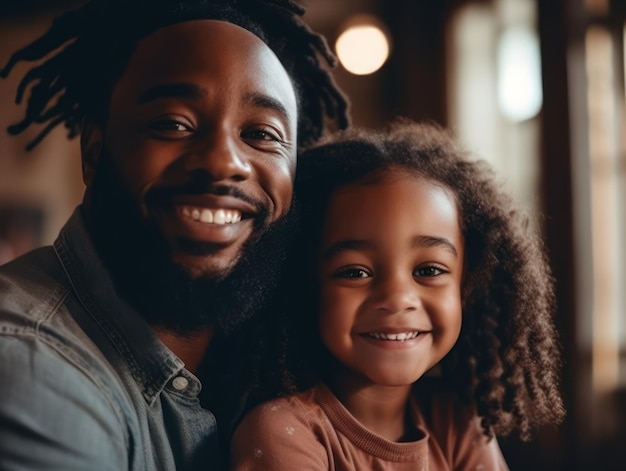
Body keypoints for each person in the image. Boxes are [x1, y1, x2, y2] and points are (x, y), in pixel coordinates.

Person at [0, 0, 349, 469]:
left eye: (263, 134)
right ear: (94, 152)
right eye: (173, 123)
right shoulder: (30, 367)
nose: (225, 161)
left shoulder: (286, 345)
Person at [230, 119, 566, 470]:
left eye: (428, 271)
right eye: (355, 272)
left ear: (468, 285)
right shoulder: (282, 433)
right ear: (306, 285)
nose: (396, 298)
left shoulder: (458, 423)